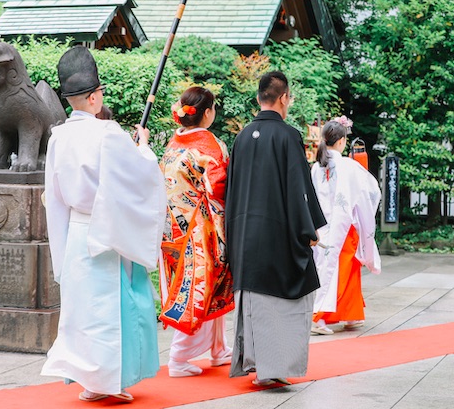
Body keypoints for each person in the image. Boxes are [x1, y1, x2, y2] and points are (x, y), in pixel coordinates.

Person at [41, 45, 166, 403]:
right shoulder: (109, 133)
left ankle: (91, 382)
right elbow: (139, 177)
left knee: (84, 311)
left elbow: (55, 198)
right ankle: (107, 382)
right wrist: (143, 147)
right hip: (108, 233)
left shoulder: (58, 137)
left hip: (78, 233)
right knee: (111, 311)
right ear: (95, 96)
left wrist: (59, 253)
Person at [225, 71, 326, 386]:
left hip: (244, 234)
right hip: (277, 233)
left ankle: (255, 364)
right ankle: (272, 368)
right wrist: (308, 229)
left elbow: (233, 190)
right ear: (284, 98)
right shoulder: (288, 136)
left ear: (259, 98)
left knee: (253, 298)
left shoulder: (241, 137)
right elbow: (298, 188)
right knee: (280, 300)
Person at [159, 86, 234, 378]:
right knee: (196, 290)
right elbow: (218, 188)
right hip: (199, 229)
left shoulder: (173, 143)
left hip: (172, 226)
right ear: (207, 113)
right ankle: (178, 358)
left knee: (207, 286)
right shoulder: (208, 144)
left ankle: (218, 348)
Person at [310, 117, 381, 335]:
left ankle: (350, 314)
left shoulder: (315, 167)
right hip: (343, 226)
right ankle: (318, 316)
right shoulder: (348, 166)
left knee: (328, 269)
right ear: (341, 141)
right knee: (343, 270)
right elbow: (372, 191)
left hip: (320, 228)